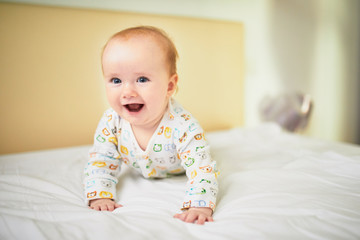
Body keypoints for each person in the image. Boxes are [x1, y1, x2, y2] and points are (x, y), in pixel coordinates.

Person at [84, 26, 218, 225]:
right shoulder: (112, 122)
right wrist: (100, 194)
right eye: (116, 80)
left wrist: (199, 205)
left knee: (200, 155)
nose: (127, 91)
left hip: (177, 168)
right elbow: (101, 159)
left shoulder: (184, 127)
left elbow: (202, 170)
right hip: (141, 169)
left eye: (142, 79)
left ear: (169, 86)